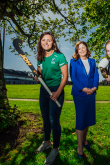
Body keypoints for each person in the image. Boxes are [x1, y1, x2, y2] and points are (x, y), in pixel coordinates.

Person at [34, 32, 68, 165]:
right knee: (45, 118)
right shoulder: (40, 58)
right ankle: (47, 142)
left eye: (49, 40)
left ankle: (55, 149)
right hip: (44, 90)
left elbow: (65, 77)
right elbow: (40, 75)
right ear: (40, 42)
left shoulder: (59, 56)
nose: (46, 42)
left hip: (56, 89)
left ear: (53, 42)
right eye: (43, 40)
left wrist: (58, 92)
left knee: (54, 120)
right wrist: (37, 77)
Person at [70, 41, 99, 158]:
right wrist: (83, 89)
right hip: (79, 94)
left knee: (88, 118)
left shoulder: (92, 61)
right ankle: (80, 148)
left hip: (91, 93)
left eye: (83, 48)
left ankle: (84, 140)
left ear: (87, 49)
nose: (82, 50)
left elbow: (96, 75)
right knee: (81, 119)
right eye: (79, 48)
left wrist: (94, 87)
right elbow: (74, 77)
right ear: (77, 51)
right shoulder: (74, 61)